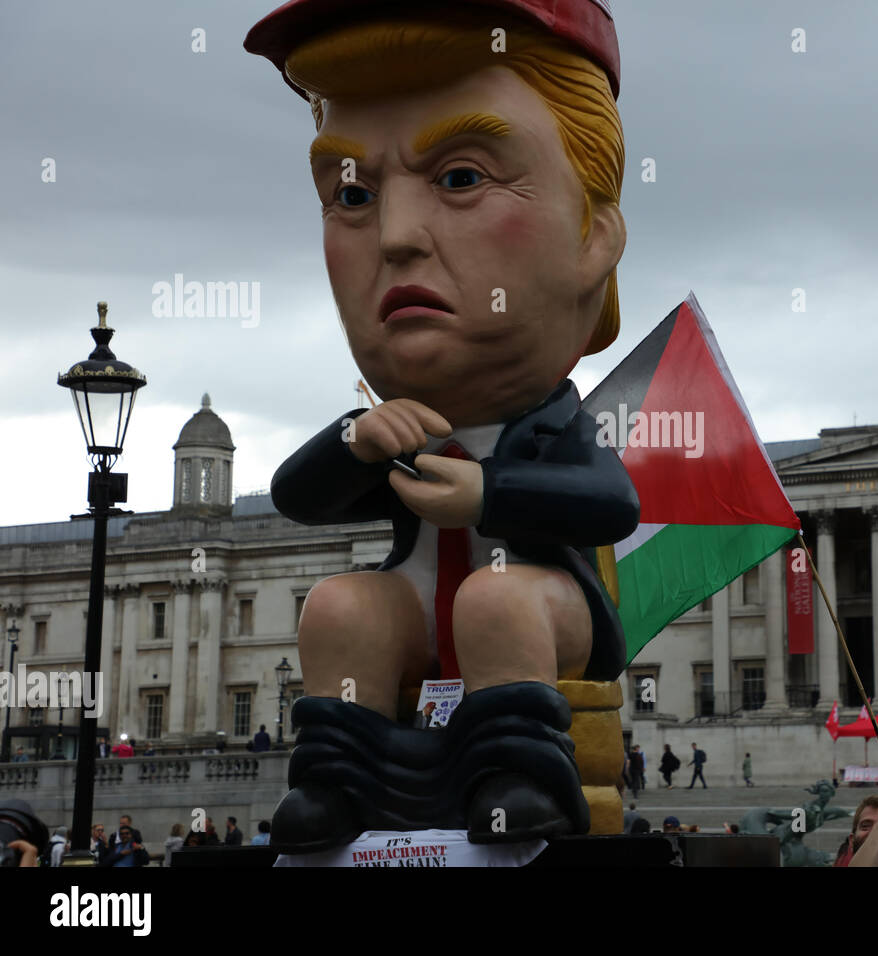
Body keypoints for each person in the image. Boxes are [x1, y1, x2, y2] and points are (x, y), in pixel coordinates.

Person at [247, 0, 639, 851]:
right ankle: (337, 787)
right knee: (343, 606)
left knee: (498, 600)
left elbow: (609, 504)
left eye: (462, 177)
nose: (394, 238)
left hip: (542, 610)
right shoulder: (395, 427)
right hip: (418, 614)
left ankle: (517, 776)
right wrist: (355, 440)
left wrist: (490, 493)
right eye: (351, 193)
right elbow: (298, 498)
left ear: (595, 234)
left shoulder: (552, 423)